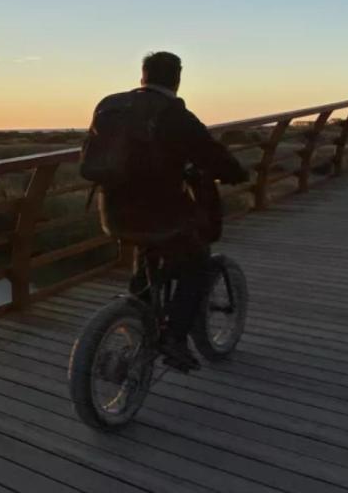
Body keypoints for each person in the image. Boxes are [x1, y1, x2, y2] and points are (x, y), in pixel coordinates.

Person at [87, 51, 248, 370]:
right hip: (161, 214)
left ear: (142, 76)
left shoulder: (110, 105)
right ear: (177, 78)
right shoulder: (174, 114)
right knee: (196, 262)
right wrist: (236, 173)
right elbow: (210, 154)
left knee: (146, 249)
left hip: (113, 212)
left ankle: (138, 313)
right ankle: (174, 338)